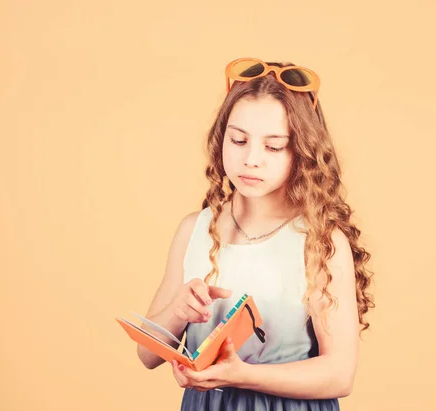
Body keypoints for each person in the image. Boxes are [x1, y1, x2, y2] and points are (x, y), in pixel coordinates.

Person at [136, 57, 374, 410]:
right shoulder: (195, 229)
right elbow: (147, 353)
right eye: (238, 140)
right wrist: (178, 310)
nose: (251, 159)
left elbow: (340, 374)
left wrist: (240, 374)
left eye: (273, 146)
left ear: (303, 152)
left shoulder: (321, 242)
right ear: (221, 139)